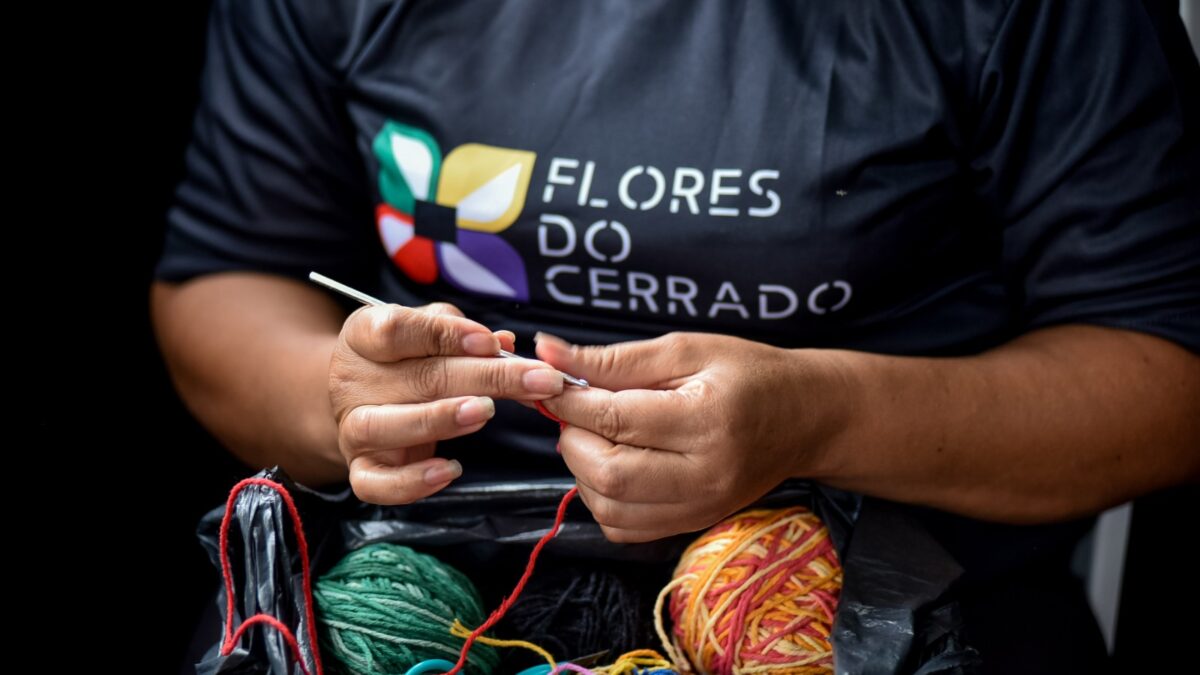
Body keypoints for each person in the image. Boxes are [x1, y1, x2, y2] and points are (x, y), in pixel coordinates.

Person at [153, 1, 1199, 671]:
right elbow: (223, 280)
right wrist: (334, 398)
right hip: (423, 603)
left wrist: (821, 418)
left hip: (886, 601)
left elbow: (1167, 373)